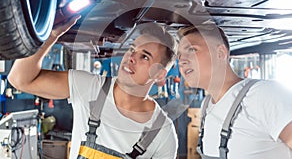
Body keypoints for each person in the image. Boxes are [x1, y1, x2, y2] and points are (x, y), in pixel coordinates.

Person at [8, 12, 178, 158]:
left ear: (159, 74)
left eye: (145, 56)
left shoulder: (162, 132)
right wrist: (51, 36)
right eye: (132, 49)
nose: (131, 57)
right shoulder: (89, 88)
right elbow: (20, 80)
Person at [177, 25, 292, 159]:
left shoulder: (265, 95)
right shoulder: (206, 106)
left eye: (192, 50)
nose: (182, 61)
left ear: (221, 53)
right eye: (179, 56)